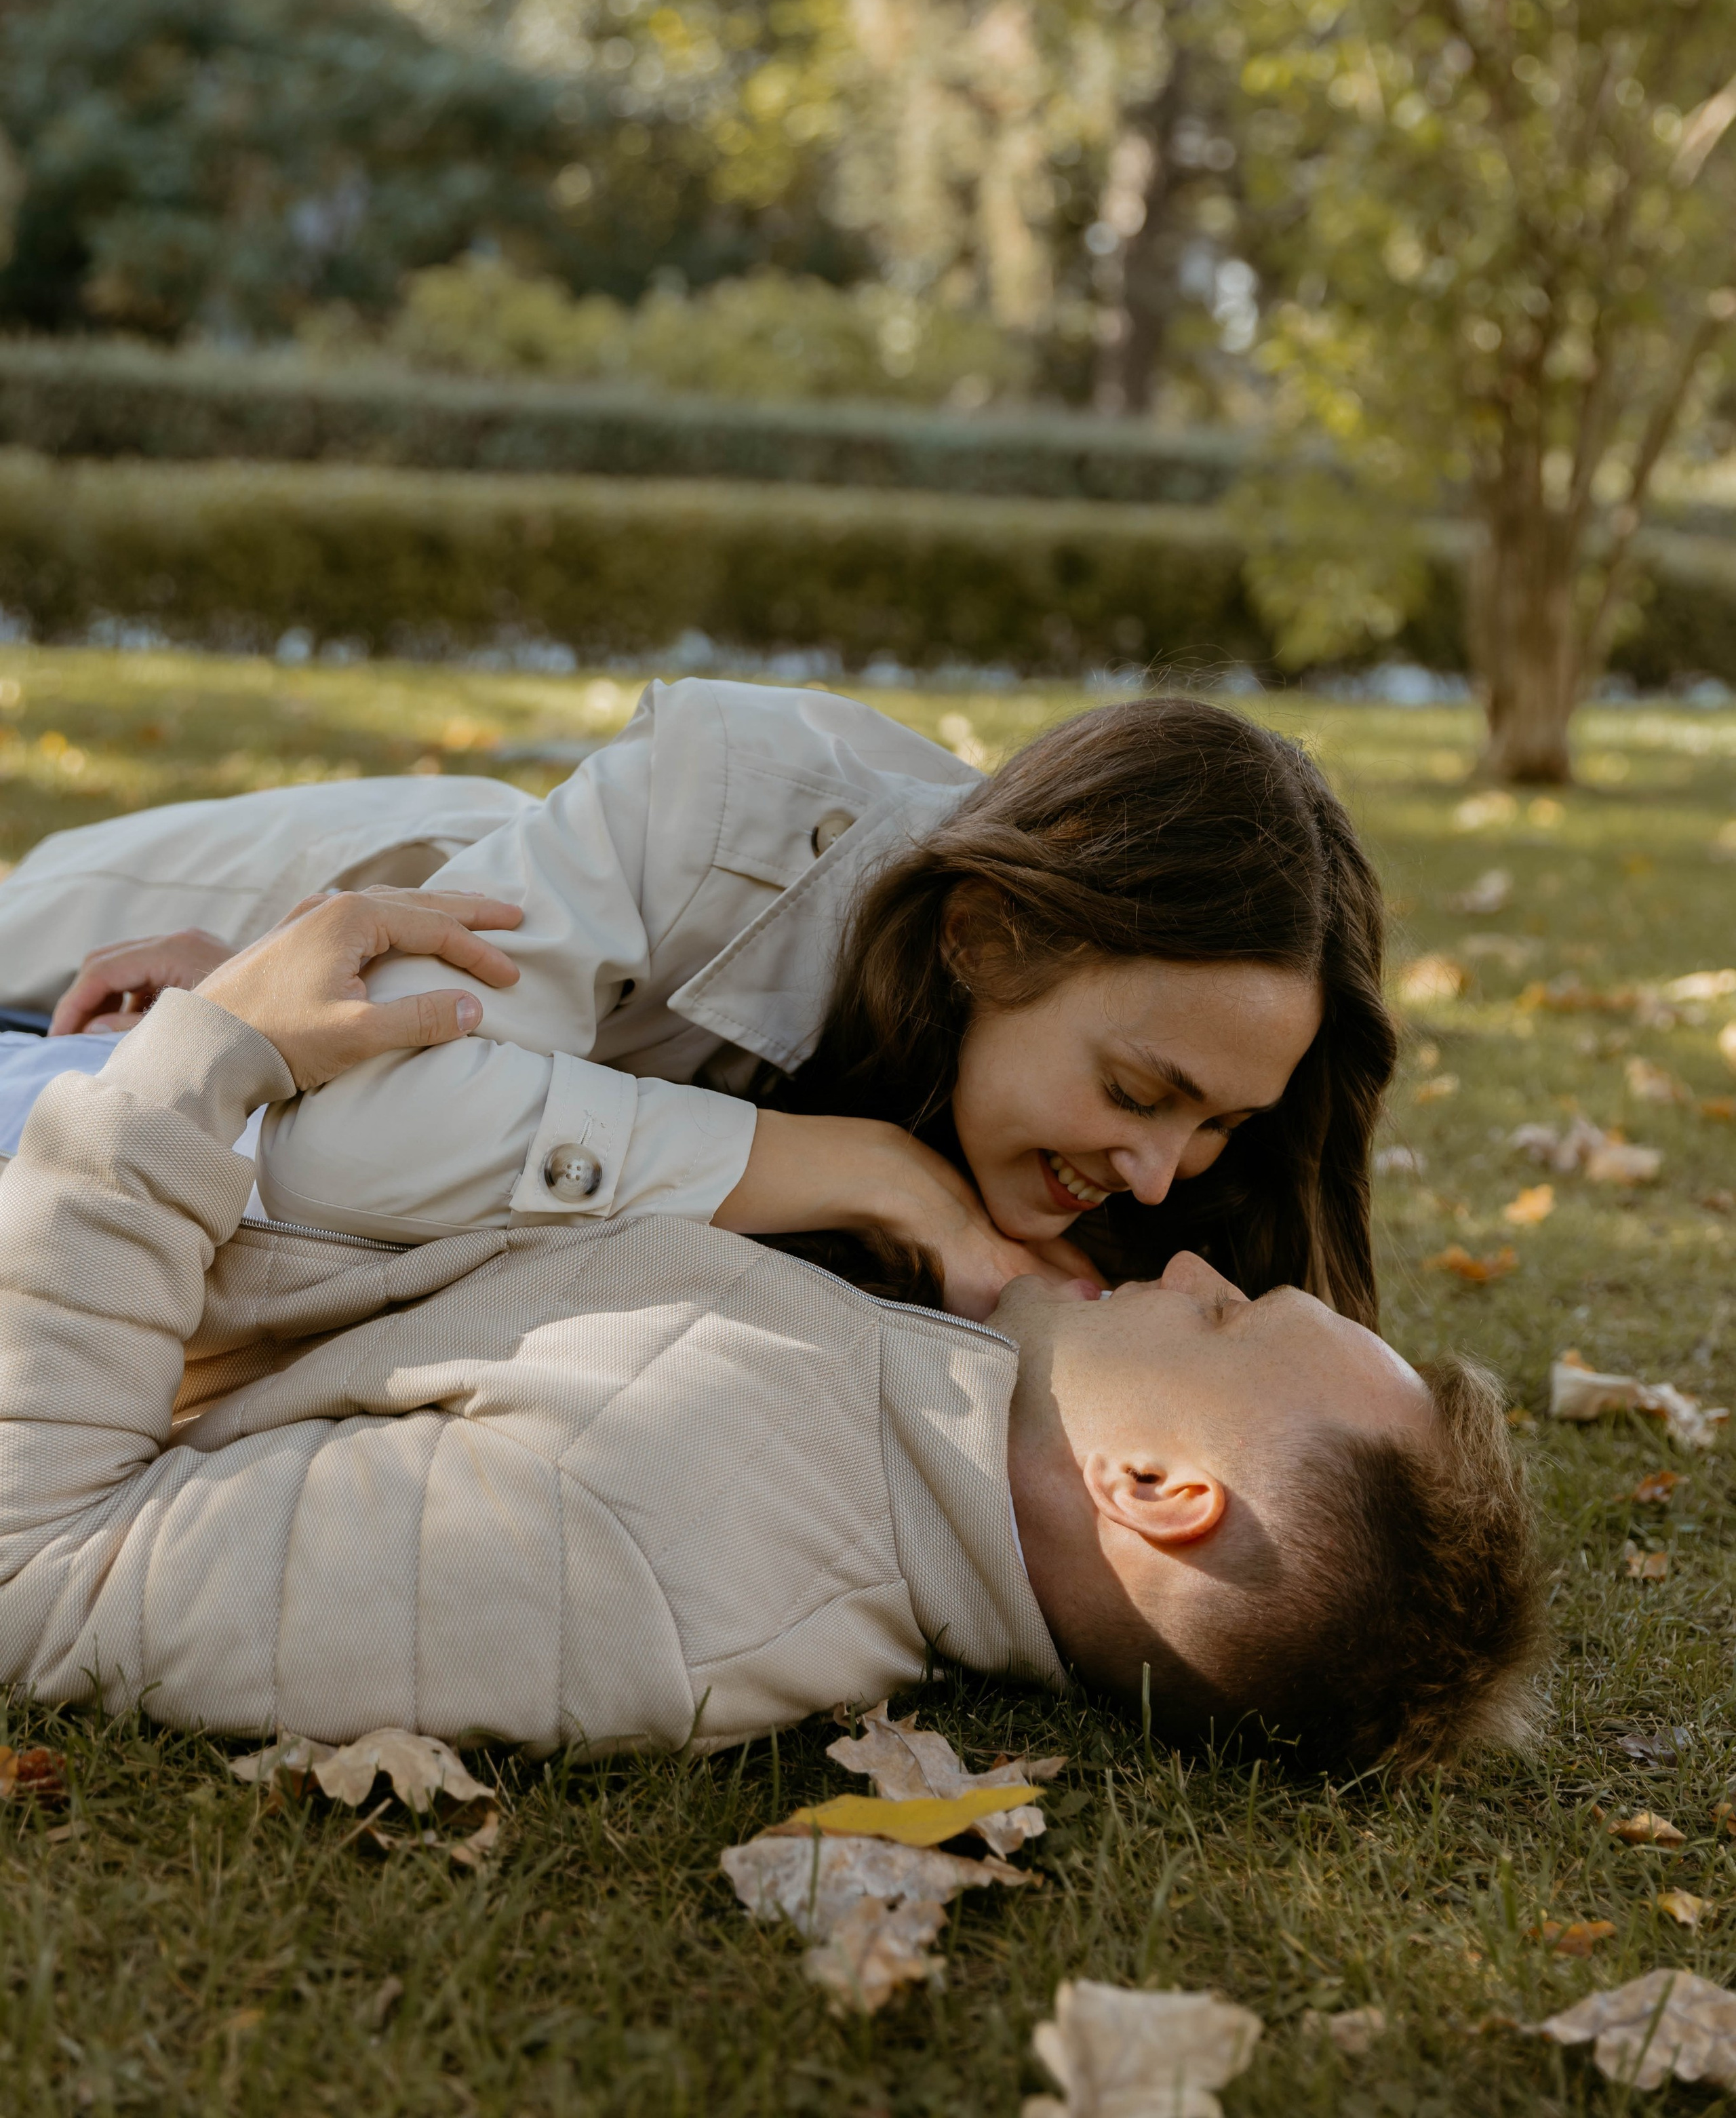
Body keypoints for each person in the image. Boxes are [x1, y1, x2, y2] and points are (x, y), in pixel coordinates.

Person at [0, 890, 1539, 1774]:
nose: (1196, 1261)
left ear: (1155, 1493)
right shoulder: (874, 1413)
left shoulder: (632, 1564)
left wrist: (212, 1066)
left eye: (1226, 1319)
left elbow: (38, 1567)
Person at [0, 680, 1393, 1322]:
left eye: (1217, 1123)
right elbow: (345, 1150)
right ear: (982, 937)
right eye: (1138, 1095)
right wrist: (870, 1176)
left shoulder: (1163, 1156)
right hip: (91, 961)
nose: (1158, 1175)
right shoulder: (726, 795)